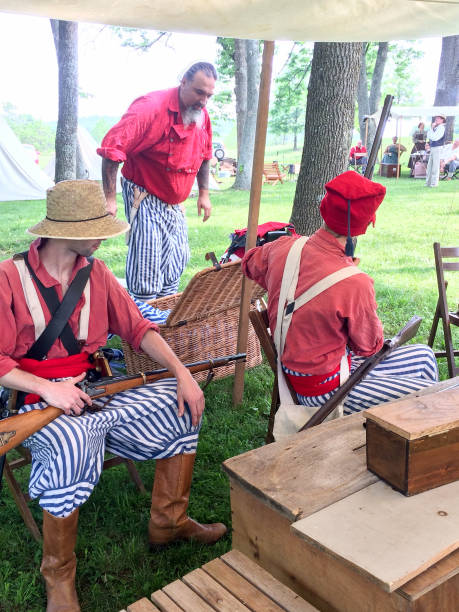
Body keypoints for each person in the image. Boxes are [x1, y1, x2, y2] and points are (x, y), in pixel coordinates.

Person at [0, 180, 226, 611]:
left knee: (176, 406)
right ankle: (58, 576)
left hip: (96, 390)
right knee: (72, 440)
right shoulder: (8, 279)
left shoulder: (97, 274)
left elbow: (138, 329)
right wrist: (49, 389)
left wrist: (181, 372)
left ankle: (169, 522)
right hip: (35, 402)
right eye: (96, 228)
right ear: (63, 231)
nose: (105, 236)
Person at [241, 171, 438, 428]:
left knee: (424, 355)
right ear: (364, 226)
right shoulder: (354, 282)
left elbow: (248, 263)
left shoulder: (282, 248)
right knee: (430, 399)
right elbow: (369, 347)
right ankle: (403, 447)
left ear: (324, 210)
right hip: (323, 392)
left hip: (311, 370)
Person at [97, 62, 217, 302]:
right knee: (147, 264)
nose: (203, 101)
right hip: (145, 193)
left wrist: (204, 193)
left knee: (176, 261)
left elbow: (204, 156)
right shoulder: (150, 108)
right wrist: (109, 199)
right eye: (198, 92)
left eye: (209, 95)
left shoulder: (201, 115)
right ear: (183, 82)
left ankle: (162, 321)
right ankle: (140, 325)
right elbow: (112, 150)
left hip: (175, 203)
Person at [425, 114, 446, 187]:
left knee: (435, 167)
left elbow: (434, 138)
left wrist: (431, 129)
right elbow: (429, 135)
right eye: (436, 118)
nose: (436, 119)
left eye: (438, 118)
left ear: (442, 120)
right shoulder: (436, 128)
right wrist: (432, 128)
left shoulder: (441, 128)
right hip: (433, 148)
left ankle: (434, 183)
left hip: (437, 148)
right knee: (429, 166)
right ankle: (428, 182)